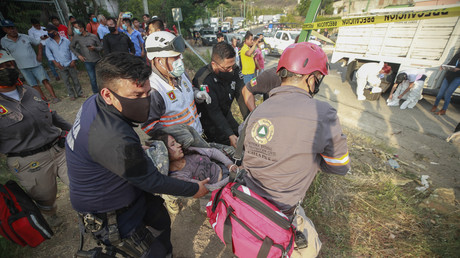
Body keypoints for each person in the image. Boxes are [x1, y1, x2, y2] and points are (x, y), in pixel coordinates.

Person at [65, 52, 209, 257]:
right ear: (108, 94)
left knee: (160, 222)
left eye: (148, 93)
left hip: (127, 189)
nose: (146, 101)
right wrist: (194, 189)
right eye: (136, 96)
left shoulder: (96, 103)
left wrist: (125, 154)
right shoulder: (113, 138)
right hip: (110, 211)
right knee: (153, 252)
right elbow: (153, 182)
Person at [241, 42, 350, 257]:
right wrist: (313, 159)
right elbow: (339, 166)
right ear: (312, 78)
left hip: (248, 201)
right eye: (318, 78)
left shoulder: (259, 109)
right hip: (281, 210)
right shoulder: (322, 112)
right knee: (312, 248)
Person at [0, 48, 72, 227]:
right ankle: (50, 213)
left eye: (9, 64)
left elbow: (51, 114)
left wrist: (73, 130)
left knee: (82, 181)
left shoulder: (29, 90)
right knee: (44, 196)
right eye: (0, 67)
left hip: (59, 148)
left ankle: (94, 211)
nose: (6, 70)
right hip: (28, 161)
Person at [142, 31, 205, 138]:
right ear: (159, 60)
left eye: (179, 56)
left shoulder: (181, 74)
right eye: (174, 58)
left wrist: (197, 94)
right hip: (181, 147)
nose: (180, 60)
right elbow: (149, 126)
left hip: (197, 137)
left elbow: (187, 91)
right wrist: (176, 136)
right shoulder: (154, 89)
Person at [193, 42, 245, 148]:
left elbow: (242, 97)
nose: (231, 70)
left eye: (233, 65)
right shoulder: (203, 79)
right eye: (227, 68)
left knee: (244, 138)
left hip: (226, 115)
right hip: (209, 124)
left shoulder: (234, 70)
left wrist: (250, 122)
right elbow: (213, 111)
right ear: (214, 64)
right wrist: (230, 134)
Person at [2, 20, 60, 103]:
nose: (12, 30)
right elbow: (7, 55)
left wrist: (39, 54)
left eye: (13, 28)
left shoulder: (24, 36)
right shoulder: (3, 41)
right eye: (9, 29)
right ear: (5, 30)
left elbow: (38, 43)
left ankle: (54, 97)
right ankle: (43, 99)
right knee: (33, 84)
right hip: (22, 67)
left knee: (44, 80)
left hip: (35, 64)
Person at [153, 133, 236, 187]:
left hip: (225, 170)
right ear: (164, 153)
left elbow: (212, 152)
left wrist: (229, 164)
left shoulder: (188, 151)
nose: (179, 145)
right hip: (222, 188)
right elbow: (208, 188)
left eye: (176, 141)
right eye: (172, 144)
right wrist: (232, 178)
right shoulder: (178, 177)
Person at [45, 24, 83, 101]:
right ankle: (71, 95)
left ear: (55, 32)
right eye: (48, 32)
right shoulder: (48, 42)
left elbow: (72, 50)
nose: (49, 33)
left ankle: (80, 93)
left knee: (75, 79)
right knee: (66, 81)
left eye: (50, 31)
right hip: (60, 65)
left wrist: (73, 60)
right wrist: (55, 62)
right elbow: (49, 53)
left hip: (70, 62)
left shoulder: (65, 40)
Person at [70, 20, 102, 94]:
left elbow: (101, 47)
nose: (75, 29)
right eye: (74, 28)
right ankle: (96, 93)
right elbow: (71, 47)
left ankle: (104, 91)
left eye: (76, 27)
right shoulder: (76, 37)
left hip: (98, 60)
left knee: (101, 77)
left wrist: (95, 48)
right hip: (87, 61)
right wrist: (79, 55)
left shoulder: (93, 36)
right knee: (92, 79)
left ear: (82, 28)